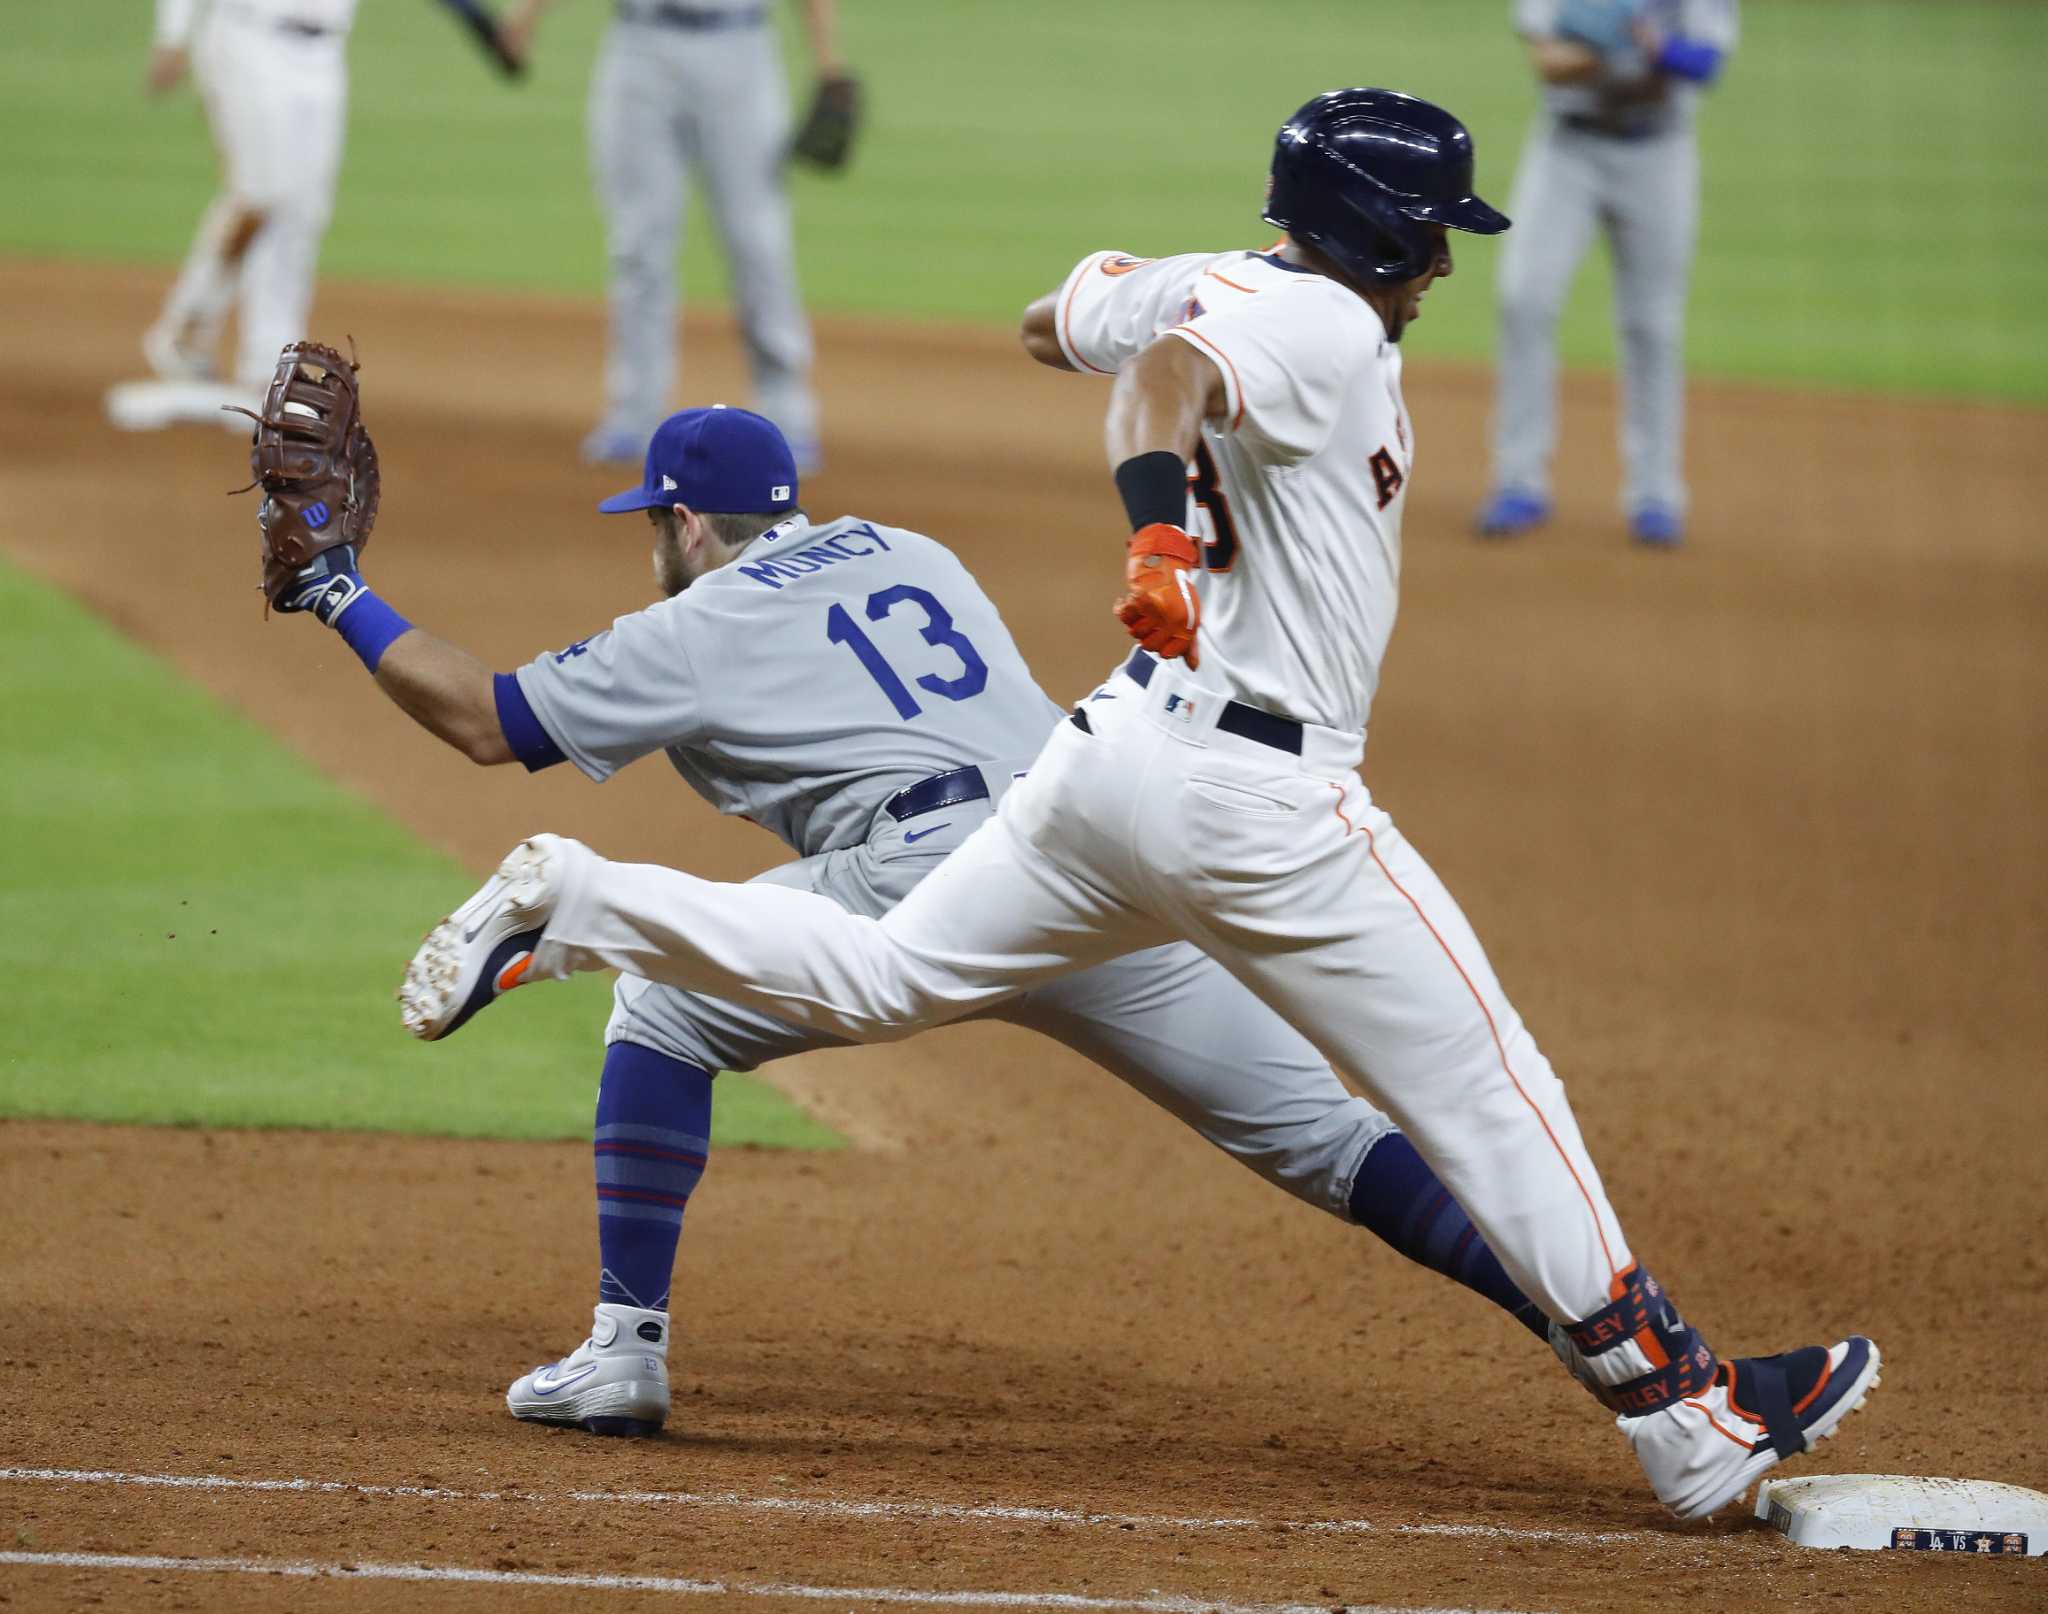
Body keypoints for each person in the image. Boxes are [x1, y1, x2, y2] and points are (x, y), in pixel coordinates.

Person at [401, 90, 1881, 1518]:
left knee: (881, 968)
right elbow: (1162, 382)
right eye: (1430, 235)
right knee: (1493, 1090)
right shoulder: (1320, 322)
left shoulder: (1233, 287)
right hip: (1258, 800)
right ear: (1366, 231)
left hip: (1102, 766)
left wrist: (1155, 311)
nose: (1443, 263)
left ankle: (589, 898)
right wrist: (1160, 525)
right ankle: (1691, 1419)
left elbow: (1065, 325)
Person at [265, 400, 1556, 1436]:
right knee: (1327, 1137)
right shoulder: (906, 547)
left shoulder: (701, 616)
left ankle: (623, 1352)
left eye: (650, 524)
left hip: (922, 877)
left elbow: (484, 719)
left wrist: (333, 587)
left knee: (658, 1006)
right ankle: (1621, 1337)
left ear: (686, 525)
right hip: (1082, 856)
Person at [502, 0, 841, 469]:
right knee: (638, 245)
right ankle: (634, 415)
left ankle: (788, 415)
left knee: (757, 242)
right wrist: (526, 16)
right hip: (641, 49)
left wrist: (828, 62)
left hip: (741, 51)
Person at [1475, 0, 1739, 547]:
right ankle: (1518, 482)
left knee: (1652, 325)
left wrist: (1642, 45)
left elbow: (1705, 64)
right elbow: (1547, 61)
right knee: (1524, 299)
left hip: (1659, 153)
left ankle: (1656, 494)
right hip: (1567, 147)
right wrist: (1636, 52)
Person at [109, 0, 358, 432]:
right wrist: (173, 36)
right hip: (250, 39)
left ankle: (268, 364)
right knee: (262, 193)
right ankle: (185, 326)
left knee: (304, 212)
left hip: (325, 55)